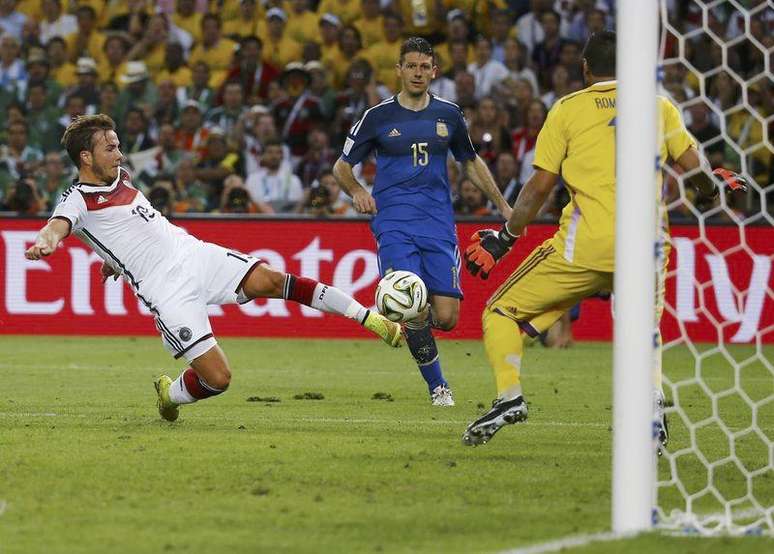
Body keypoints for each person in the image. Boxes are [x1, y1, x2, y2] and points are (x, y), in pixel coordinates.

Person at [460, 31, 748, 446]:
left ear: (585, 68)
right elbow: (695, 171)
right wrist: (715, 184)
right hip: (645, 246)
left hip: (584, 248)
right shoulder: (658, 106)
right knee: (643, 329)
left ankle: (509, 397)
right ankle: (651, 403)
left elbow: (540, 186)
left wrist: (507, 236)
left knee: (501, 312)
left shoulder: (566, 110)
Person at [24, 114, 404, 422]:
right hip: (166, 290)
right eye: (110, 148)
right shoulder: (77, 199)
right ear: (86, 158)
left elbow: (127, 229)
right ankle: (170, 393)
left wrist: (112, 261)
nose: (120, 155)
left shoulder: (121, 177)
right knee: (219, 379)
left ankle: (369, 318)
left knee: (273, 279)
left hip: (195, 254)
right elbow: (59, 226)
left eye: (119, 146)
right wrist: (47, 241)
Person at [333, 38, 511, 406]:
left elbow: (471, 161)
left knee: (446, 317)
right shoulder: (377, 116)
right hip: (394, 222)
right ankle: (438, 386)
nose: (417, 73)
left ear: (434, 71)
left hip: (438, 223)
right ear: (398, 70)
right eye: (410, 66)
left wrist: (503, 206)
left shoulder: (449, 114)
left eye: (424, 67)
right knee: (411, 303)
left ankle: (399, 320)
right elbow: (341, 167)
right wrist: (357, 190)